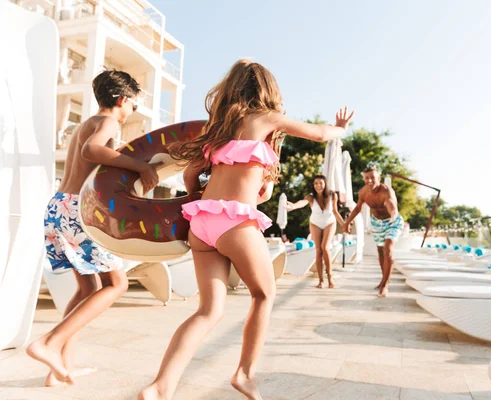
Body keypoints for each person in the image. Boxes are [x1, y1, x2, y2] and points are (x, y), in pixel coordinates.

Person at [138, 59, 354, 400]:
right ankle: (245, 373)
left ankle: (160, 386)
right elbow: (319, 133)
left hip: (202, 223)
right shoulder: (266, 118)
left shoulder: (217, 129)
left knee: (208, 311)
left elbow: (191, 177)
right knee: (264, 294)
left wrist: (208, 193)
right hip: (235, 223)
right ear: (268, 91)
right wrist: (339, 129)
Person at [27, 70, 160, 385]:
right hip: (78, 210)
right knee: (118, 284)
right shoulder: (108, 122)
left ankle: (59, 366)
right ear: (121, 100)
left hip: (59, 206)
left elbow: (85, 151)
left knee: (88, 290)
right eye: (133, 107)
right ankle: (46, 344)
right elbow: (93, 151)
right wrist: (141, 166)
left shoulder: (85, 124)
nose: (131, 113)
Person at [342, 164, 402, 297]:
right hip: (376, 223)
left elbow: (391, 204)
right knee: (380, 251)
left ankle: (385, 286)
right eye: (366, 178)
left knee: (388, 248)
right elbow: (358, 208)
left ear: (378, 177)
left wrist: (393, 214)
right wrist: (347, 222)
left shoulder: (387, 191)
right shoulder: (363, 193)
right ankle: (383, 280)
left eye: (372, 178)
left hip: (392, 221)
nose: (369, 181)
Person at [286, 175, 344, 288]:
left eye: (320, 183)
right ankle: (321, 280)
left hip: (330, 222)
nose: (318, 185)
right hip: (315, 223)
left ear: (325, 184)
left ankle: (330, 277)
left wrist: (344, 224)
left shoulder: (332, 195)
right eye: (316, 183)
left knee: (325, 247)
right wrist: (293, 206)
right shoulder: (311, 197)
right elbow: (302, 202)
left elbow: (336, 212)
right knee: (318, 250)